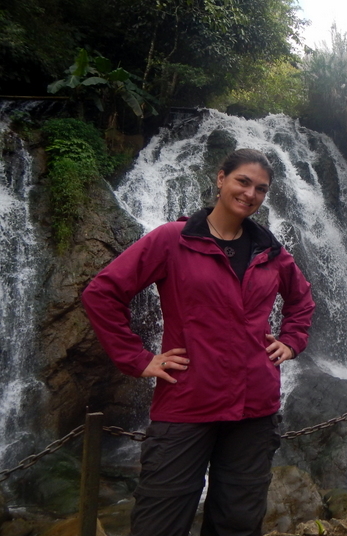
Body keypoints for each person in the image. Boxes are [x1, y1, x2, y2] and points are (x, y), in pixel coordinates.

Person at [82, 148, 315, 536]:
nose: (250, 193)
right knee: (160, 522)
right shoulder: (173, 239)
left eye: (261, 188)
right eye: (243, 181)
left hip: (254, 408)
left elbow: (302, 300)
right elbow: (102, 293)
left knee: (238, 522)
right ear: (221, 179)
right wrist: (138, 359)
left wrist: (291, 341)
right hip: (187, 402)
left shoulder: (271, 252)